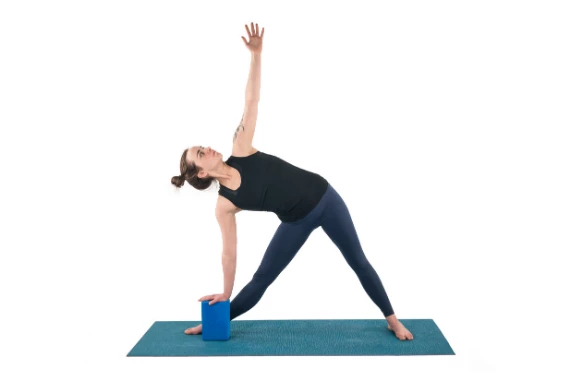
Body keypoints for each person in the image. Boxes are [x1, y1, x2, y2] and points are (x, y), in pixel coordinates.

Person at [171, 22, 413, 341]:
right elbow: (229, 253)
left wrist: (256, 56)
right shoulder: (224, 205)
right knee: (262, 279)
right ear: (201, 173)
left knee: (359, 262)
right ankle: (217, 321)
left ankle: (392, 319)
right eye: (201, 153)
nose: (207, 148)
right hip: (295, 222)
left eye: (202, 146)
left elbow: (251, 101)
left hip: (325, 199)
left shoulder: (240, 147)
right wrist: (224, 295)